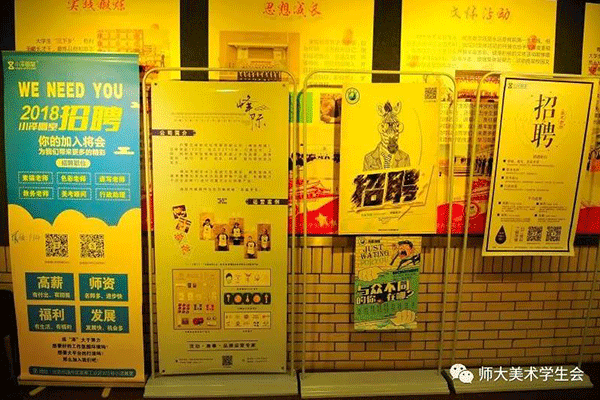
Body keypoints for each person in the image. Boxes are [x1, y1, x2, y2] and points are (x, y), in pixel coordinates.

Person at [363, 101, 410, 171]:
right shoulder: (368, 159)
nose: (392, 134)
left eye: (396, 127)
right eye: (386, 128)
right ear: (381, 128)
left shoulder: (405, 158)